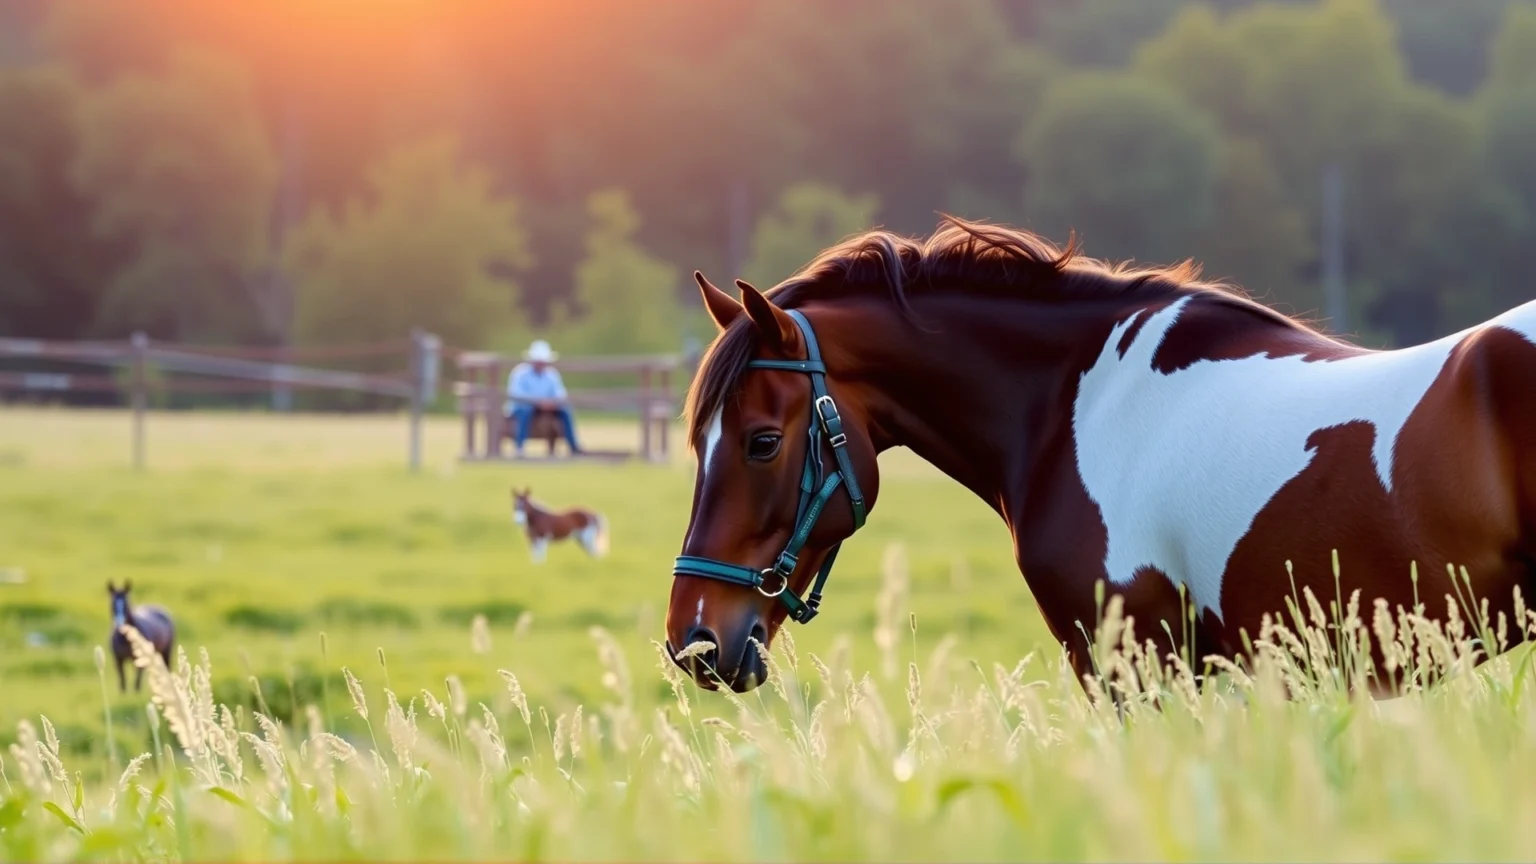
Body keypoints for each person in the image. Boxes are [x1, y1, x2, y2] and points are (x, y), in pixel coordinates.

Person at [506, 339, 582, 455]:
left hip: (548, 406)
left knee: (565, 411)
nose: (541, 364)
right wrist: (537, 402)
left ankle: (573, 447)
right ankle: (519, 448)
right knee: (525, 412)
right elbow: (516, 394)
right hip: (524, 406)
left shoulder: (552, 374)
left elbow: (560, 393)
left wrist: (551, 403)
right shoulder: (520, 373)